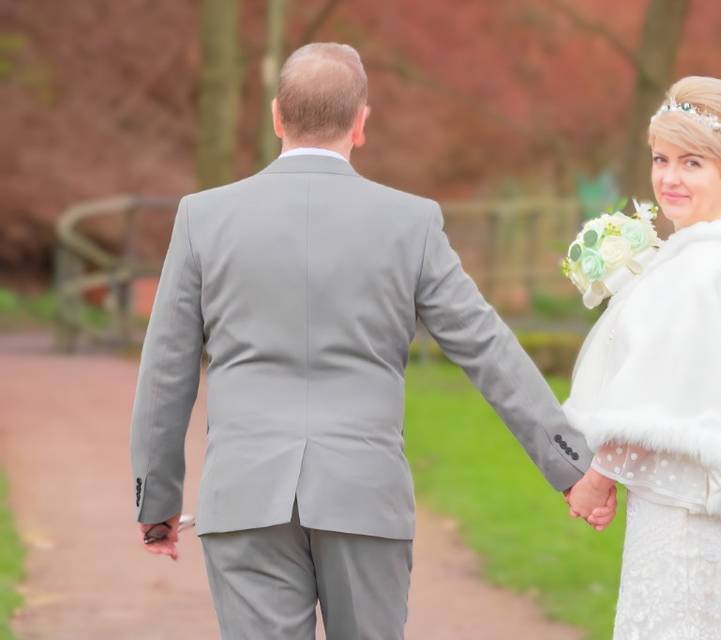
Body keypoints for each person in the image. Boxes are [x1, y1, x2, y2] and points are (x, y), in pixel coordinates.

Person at [130, 42, 614, 639]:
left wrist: (155, 503)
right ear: (361, 123)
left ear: (277, 116)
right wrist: (574, 466)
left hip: (245, 495)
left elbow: (165, 371)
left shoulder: (203, 217)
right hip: (364, 495)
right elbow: (487, 347)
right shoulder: (410, 223)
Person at [563, 76, 721, 639]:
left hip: (693, 515)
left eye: (692, 163)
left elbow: (655, 393)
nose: (669, 178)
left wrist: (598, 479)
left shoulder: (702, 267)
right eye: (662, 159)